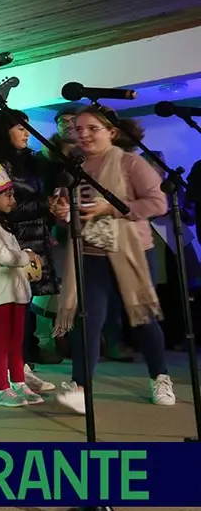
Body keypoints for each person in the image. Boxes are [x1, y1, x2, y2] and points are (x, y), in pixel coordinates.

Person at [49, 106, 174, 414]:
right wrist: (63, 212)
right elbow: (72, 213)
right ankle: (80, 386)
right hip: (90, 255)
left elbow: (158, 203)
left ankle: (160, 377)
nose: (84, 134)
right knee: (87, 322)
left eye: (92, 128)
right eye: (79, 129)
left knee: (142, 319)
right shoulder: (74, 166)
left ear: (112, 132)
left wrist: (111, 209)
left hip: (131, 252)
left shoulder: (131, 163)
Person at [0, 109, 63, 381]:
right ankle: (13, 371)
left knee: (25, 304)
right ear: (5, 131)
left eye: (27, 127)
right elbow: (4, 205)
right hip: (16, 237)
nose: (26, 133)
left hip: (37, 234)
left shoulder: (33, 161)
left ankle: (20, 367)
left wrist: (50, 208)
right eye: (20, 127)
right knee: (11, 310)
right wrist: (44, 205)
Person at [0, 163, 46, 407]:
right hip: (1, 290)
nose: (12, 199)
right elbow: (1, 255)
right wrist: (26, 256)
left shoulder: (1, 222)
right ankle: (1, 388)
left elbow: (11, 252)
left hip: (16, 290)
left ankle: (18, 381)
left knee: (16, 340)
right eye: (7, 195)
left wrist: (25, 253)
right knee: (3, 341)